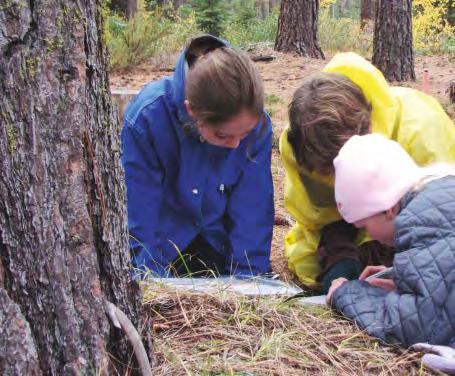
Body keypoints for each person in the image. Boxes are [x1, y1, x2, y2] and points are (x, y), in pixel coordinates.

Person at [279, 52, 455, 291]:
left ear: (369, 127)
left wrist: (403, 270)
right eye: (329, 171)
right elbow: (321, 214)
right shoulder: (304, 143)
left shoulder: (421, 130)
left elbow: (437, 229)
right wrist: (340, 255)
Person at [121, 35, 274, 277]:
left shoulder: (257, 125)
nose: (236, 145)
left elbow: (252, 213)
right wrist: (150, 282)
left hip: (218, 249)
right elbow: (139, 216)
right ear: (192, 111)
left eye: (244, 134)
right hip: (163, 251)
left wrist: (249, 282)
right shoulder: (148, 118)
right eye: (223, 136)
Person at [326, 134, 454, 354]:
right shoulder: (439, 199)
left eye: (364, 225)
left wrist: (347, 294)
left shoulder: (422, 222)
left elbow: (412, 329)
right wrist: (404, 279)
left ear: (388, 208)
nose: (368, 235)